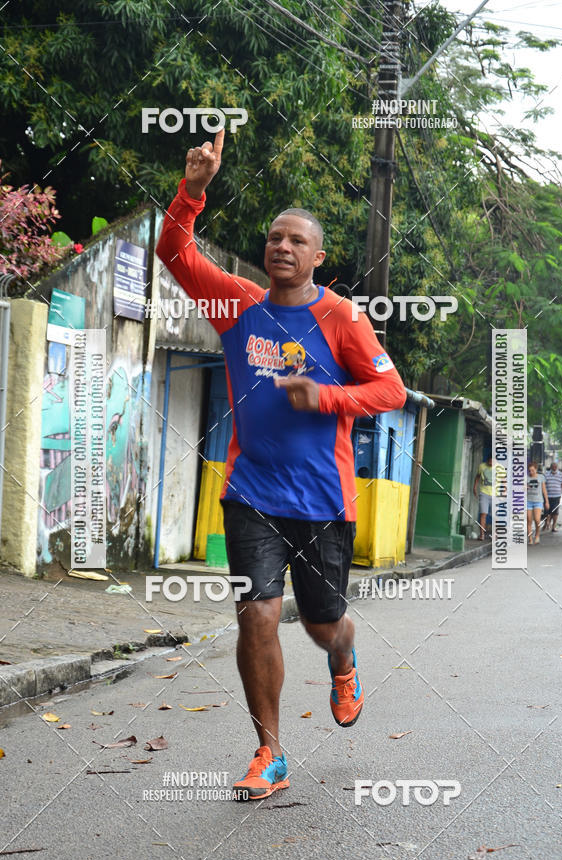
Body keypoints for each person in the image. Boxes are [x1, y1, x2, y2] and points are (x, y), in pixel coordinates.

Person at [156, 130, 406, 800]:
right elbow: (172, 252)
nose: (283, 246)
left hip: (323, 501)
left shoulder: (343, 318)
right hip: (252, 493)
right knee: (257, 614)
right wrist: (194, 191)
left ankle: (344, 660)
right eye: (275, 237)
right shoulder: (238, 304)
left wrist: (323, 395)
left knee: (324, 624)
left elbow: (391, 392)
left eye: (297, 240)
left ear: (318, 257)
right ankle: (269, 750)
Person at [473, 455, 504, 540]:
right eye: (489, 462)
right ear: (487, 461)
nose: (490, 463)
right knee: (483, 514)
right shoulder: (482, 466)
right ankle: (482, 534)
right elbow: (478, 476)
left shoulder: (500, 468)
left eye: (492, 462)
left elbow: (504, 480)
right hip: (484, 493)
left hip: (495, 495)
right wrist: (474, 487)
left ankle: (495, 534)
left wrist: (504, 491)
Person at [527, 462, 549, 544]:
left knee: (537, 519)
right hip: (528, 501)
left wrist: (546, 501)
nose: (531, 472)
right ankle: (530, 538)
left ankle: (537, 535)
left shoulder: (541, 477)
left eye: (532, 470)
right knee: (529, 520)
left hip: (538, 501)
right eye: (529, 471)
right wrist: (525, 488)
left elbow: (544, 490)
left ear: (536, 469)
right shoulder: (526, 478)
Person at [543, 461, 562, 532]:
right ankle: (546, 523)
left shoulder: (561, 475)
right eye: (553, 467)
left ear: (557, 467)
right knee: (547, 511)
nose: (554, 468)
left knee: (555, 512)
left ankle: (553, 526)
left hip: (557, 496)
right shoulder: (546, 474)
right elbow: (543, 486)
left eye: (555, 467)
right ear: (550, 467)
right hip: (547, 496)